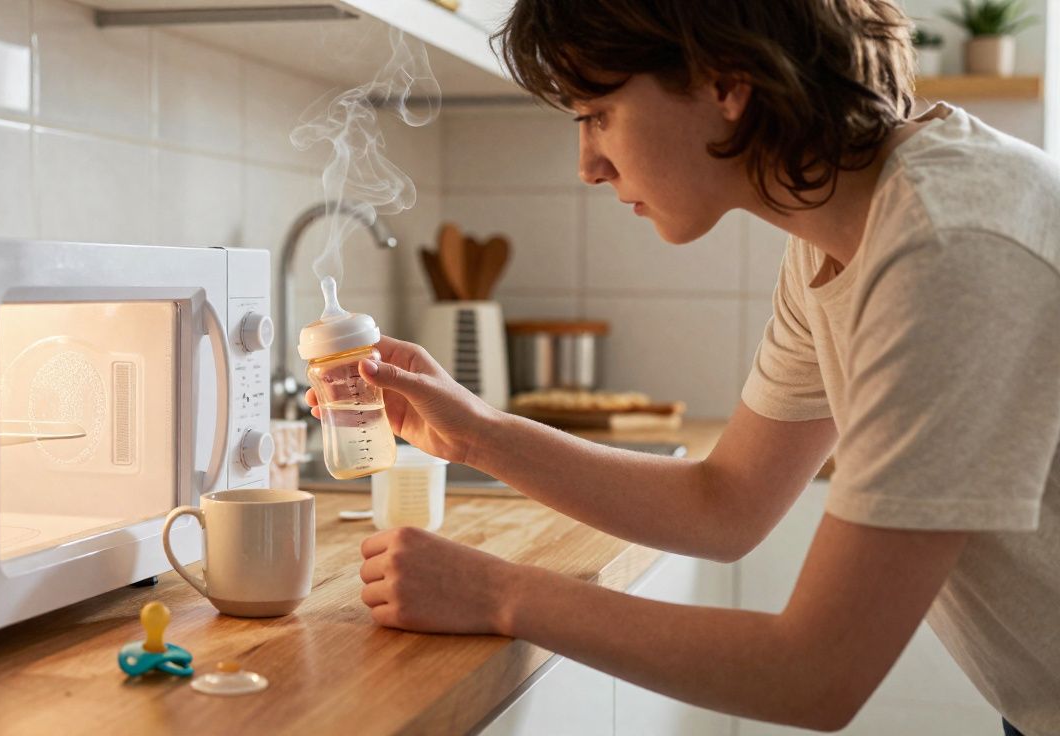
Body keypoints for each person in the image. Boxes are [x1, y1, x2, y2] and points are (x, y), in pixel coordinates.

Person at [307, 1, 1060, 733]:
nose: (587, 165)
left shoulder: (950, 246)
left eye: (598, 114)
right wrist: (474, 435)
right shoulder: (836, 237)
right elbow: (725, 504)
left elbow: (817, 674)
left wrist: (498, 593)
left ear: (726, 83)